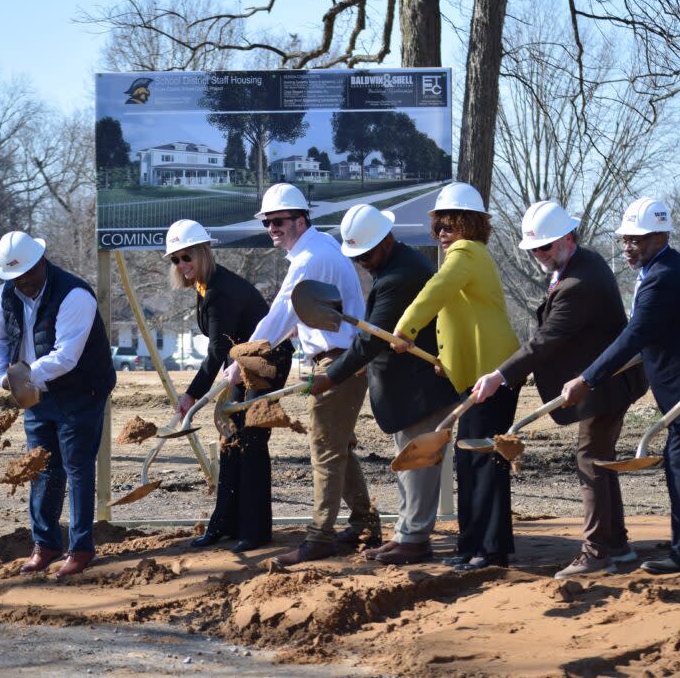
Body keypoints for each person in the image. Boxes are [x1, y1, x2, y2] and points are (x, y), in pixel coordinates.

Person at [562, 197, 680, 574]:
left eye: (637, 240)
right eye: (625, 239)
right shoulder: (660, 268)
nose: (628, 247)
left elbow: (635, 335)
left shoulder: (664, 276)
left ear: (660, 236)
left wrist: (587, 378)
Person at [472, 201, 648, 579]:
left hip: (605, 384)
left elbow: (546, 340)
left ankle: (598, 549)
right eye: (535, 248)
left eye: (545, 247)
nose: (539, 255)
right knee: (598, 460)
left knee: (591, 460)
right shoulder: (580, 264)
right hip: (602, 380)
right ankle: (617, 546)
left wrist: (499, 375)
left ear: (568, 238)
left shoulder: (577, 284)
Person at [222, 184, 378, 564]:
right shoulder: (319, 248)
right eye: (267, 222)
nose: (272, 228)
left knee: (324, 450)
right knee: (337, 444)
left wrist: (243, 357)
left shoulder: (310, 258)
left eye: (279, 221)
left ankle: (320, 536)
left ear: (301, 219)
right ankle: (363, 522)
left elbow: (281, 313)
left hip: (338, 360)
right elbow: (299, 315)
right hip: (338, 357)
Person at [308, 204, 460, 564]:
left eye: (367, 253)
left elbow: (372, 339)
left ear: (386, 240)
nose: (363, 261)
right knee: (408, 462)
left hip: (418, 388)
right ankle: (407, 532)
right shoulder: (395, 264)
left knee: (418, 463)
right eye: (357, 256)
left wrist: (331, 375)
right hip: (407, 389)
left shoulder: (399, 277)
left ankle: (415, 539)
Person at [392, 182, 520, 572]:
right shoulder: (469, 255)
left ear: (469, 225)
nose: (443, 234)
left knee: (481, 460)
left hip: (493, 375)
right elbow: (461, 316)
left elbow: (437, 292)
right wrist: (445, 360)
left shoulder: (466, 253)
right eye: (438, 227)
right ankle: (472, 546)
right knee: (472, 460)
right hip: (480, 373)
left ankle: (489, 550)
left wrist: (405, 329)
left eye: (450, 225)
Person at [0, 231, 116, 578]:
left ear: (41, 262)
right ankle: (45, 545)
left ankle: (81, 548)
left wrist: (21, 377)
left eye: (27, 276)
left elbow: (66, 358)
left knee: (77, 468)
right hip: (35, 392)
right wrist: (2, 375)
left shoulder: (74, 295)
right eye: (15, 278)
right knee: (41, 468)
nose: (23, 284)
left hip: (81, 391)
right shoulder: (8, 294)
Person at [164, 219, 292, 553]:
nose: (182, 265)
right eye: (176, 259)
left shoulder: (221, 290)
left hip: (265, 365)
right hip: (241, 364)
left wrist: (192, 394)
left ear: (203, 252)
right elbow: (225, 351)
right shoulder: (206, 287)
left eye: (187, 256)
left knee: (249, 441)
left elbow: (218, 350)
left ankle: (255, 531)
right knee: (230, 440)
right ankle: (225, 524)